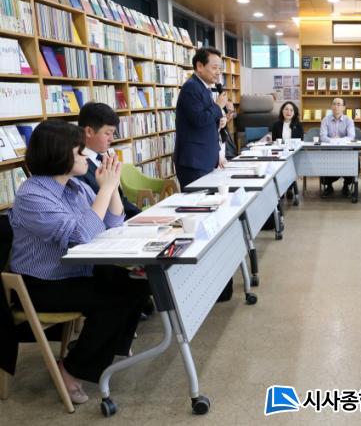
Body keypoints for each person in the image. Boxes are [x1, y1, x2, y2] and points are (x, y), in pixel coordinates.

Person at [8, 120, 150, 404]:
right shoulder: (32, 194)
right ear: (59, 153)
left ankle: (101, 351)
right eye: (80, 151)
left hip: (75, 272)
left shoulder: (75, 187)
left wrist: (112, 188)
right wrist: (105, 190)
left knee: (138, 284)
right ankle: (72, 368)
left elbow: (112, 224)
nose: (86, 156)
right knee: (114, 299)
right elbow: (81, 236)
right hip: (41, 284)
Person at [173, 46, 229, 190]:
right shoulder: (191, 88)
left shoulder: (204, 88)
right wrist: (217, 107)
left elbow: (204, 121)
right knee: (198, 201)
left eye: (220, 68)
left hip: (204, 159)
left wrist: (219, 122)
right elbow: (198, 119)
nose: (218, 72)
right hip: (194, 162)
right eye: (214, 68)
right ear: (199, 66)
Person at [76, 102, 140, 219]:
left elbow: (121, 200)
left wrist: (141, 216)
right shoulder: (77, 167)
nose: (111, 139)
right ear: (89, 132)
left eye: (113, 133)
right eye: (107, 133)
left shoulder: (105, 158)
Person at [320, 97, 356, 198]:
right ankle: (329, 186)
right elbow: (322, 137)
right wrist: (333, 141)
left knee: (353, 161)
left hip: (346, 153)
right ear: (331, 106)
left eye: (339, 104)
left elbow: (351, 136)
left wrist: (338, 140)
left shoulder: (349, 120)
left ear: (344, 107)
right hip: (330, 152)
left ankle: (346, 185)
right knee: (322, 160)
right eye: (334, 104)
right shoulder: (325, 120)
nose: (336, 106)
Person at [218, 99, 238, 165]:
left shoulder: (225, 129)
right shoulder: (218, 130)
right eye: (227, 111)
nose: (230, 115)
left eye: (232, 112)